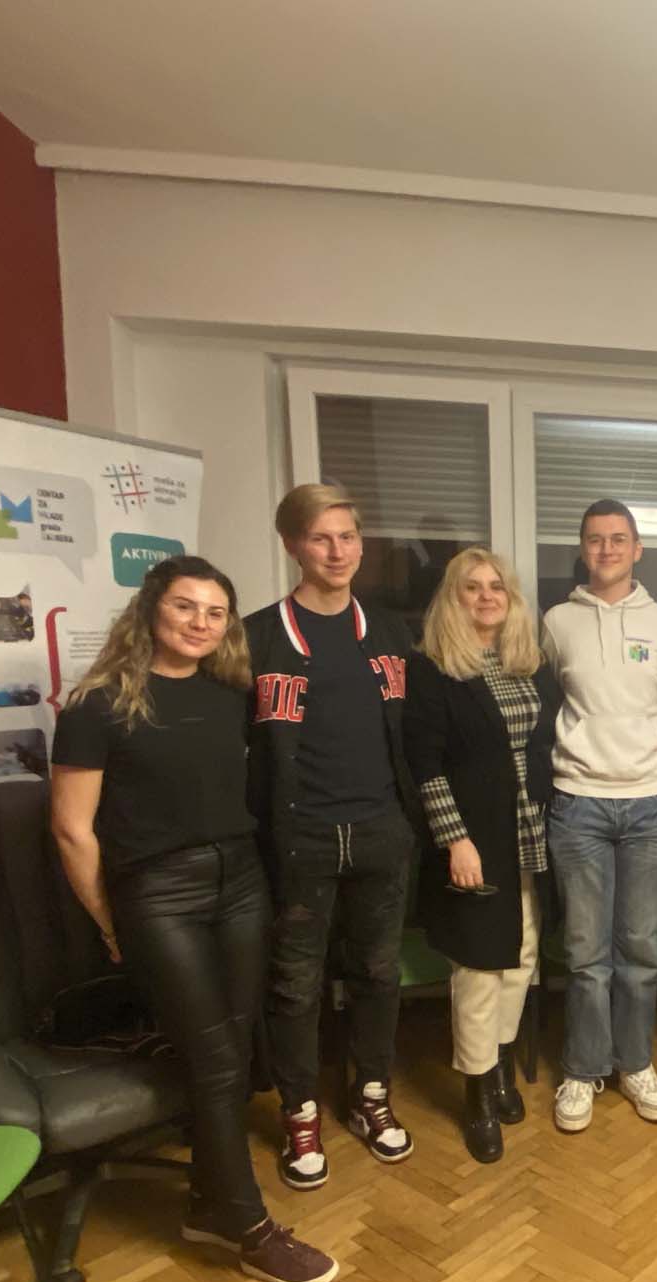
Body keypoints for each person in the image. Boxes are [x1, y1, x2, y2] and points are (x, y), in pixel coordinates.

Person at [49, 556, 337, 1282]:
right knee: (212, 1061)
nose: (200, 623)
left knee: (235, 1052)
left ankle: (209, 1205)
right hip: (158, 894)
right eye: (185, 607)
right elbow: (73, 831)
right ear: (152, 608)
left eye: (215, 612)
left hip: (239, 882)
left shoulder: (229, 692)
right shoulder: (97, 705)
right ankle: (250, 1228)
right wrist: (111, 922)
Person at [245, 483, 420, 1190]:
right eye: (321, 537)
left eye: (348, 536)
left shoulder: (389, 633)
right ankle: (300, 1110)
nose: (338, 551)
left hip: (381, 831)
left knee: (378, 974)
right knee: (295, 984)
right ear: (292, 545)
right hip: (301, 838)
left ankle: (371, 1094)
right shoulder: (255, 636)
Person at [403, 549, 560, 1163]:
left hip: (528, 830)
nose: (487, 596)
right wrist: (456, 839)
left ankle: (498, 1067)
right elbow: (424, 764)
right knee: (478, 966)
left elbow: (542, 747)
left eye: (498, 586)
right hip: (474, 834)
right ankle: (476, 1093)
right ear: (453, 597)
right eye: (472, 587)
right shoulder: (433, 668)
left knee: (522, 957)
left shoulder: (530, 665)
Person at [542, 499, 657, 1132]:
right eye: (596, 539)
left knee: (640, 952)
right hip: (578, 803)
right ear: (583, 549)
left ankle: (635, 1064)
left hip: (653, 806)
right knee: (585, 953)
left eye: (618, 539)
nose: (607, 549)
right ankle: (582, 1069)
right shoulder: (556, 622)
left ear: (637, 549)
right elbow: (546, 698)